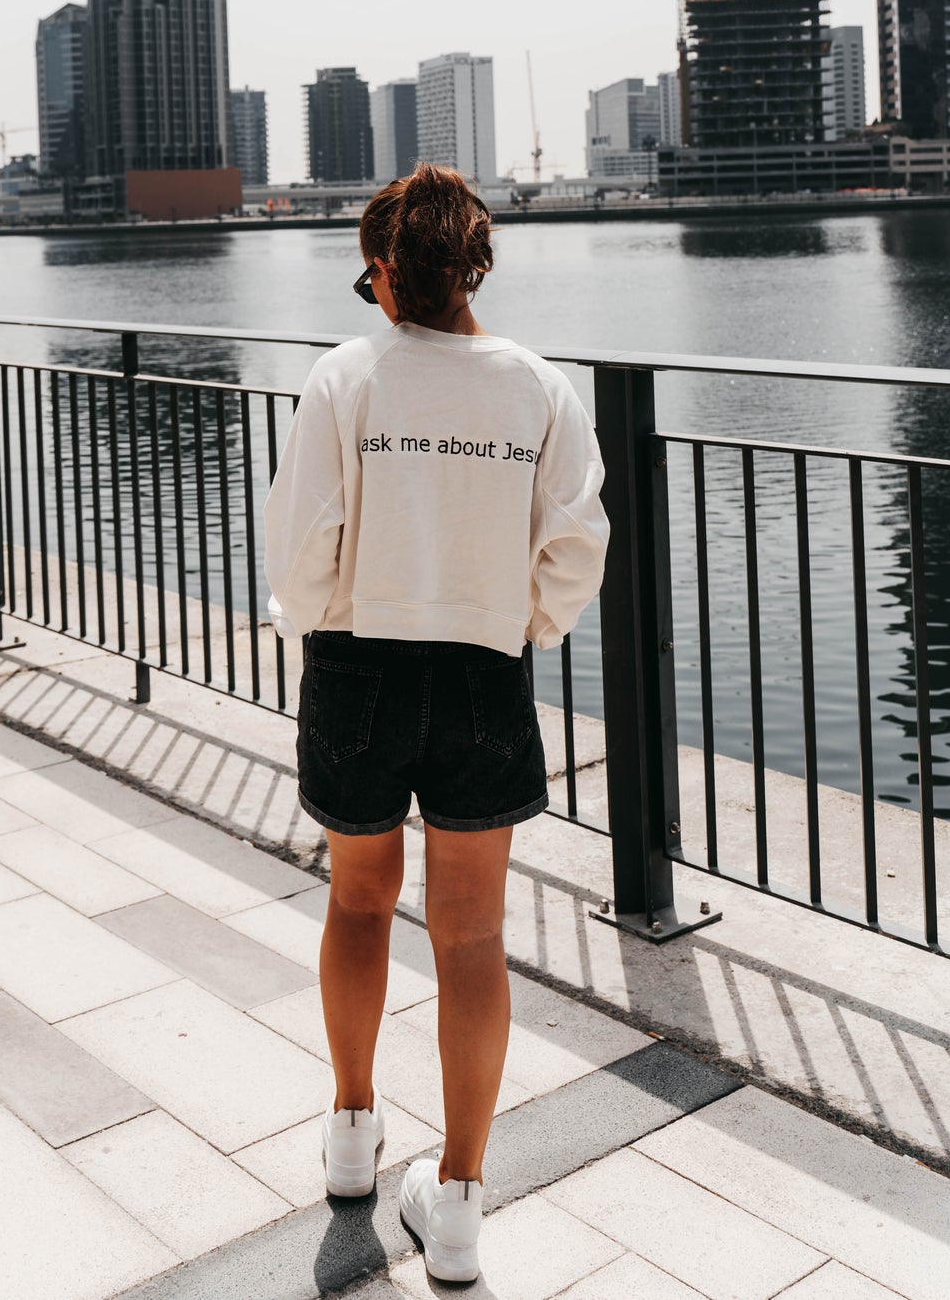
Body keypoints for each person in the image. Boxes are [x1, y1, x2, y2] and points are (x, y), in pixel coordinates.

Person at [263, 163, 608, 1284]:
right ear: (474, 270)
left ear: (380, 272)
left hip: (358, 664)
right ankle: (455, 1204)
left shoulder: (343, 379)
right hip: (479, 669)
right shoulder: (536, 388)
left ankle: (352, 1133)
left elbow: (303, 538)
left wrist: (318, 625)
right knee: (468, 936)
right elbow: (574, 547)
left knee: (357, 905)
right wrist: (519, 624)